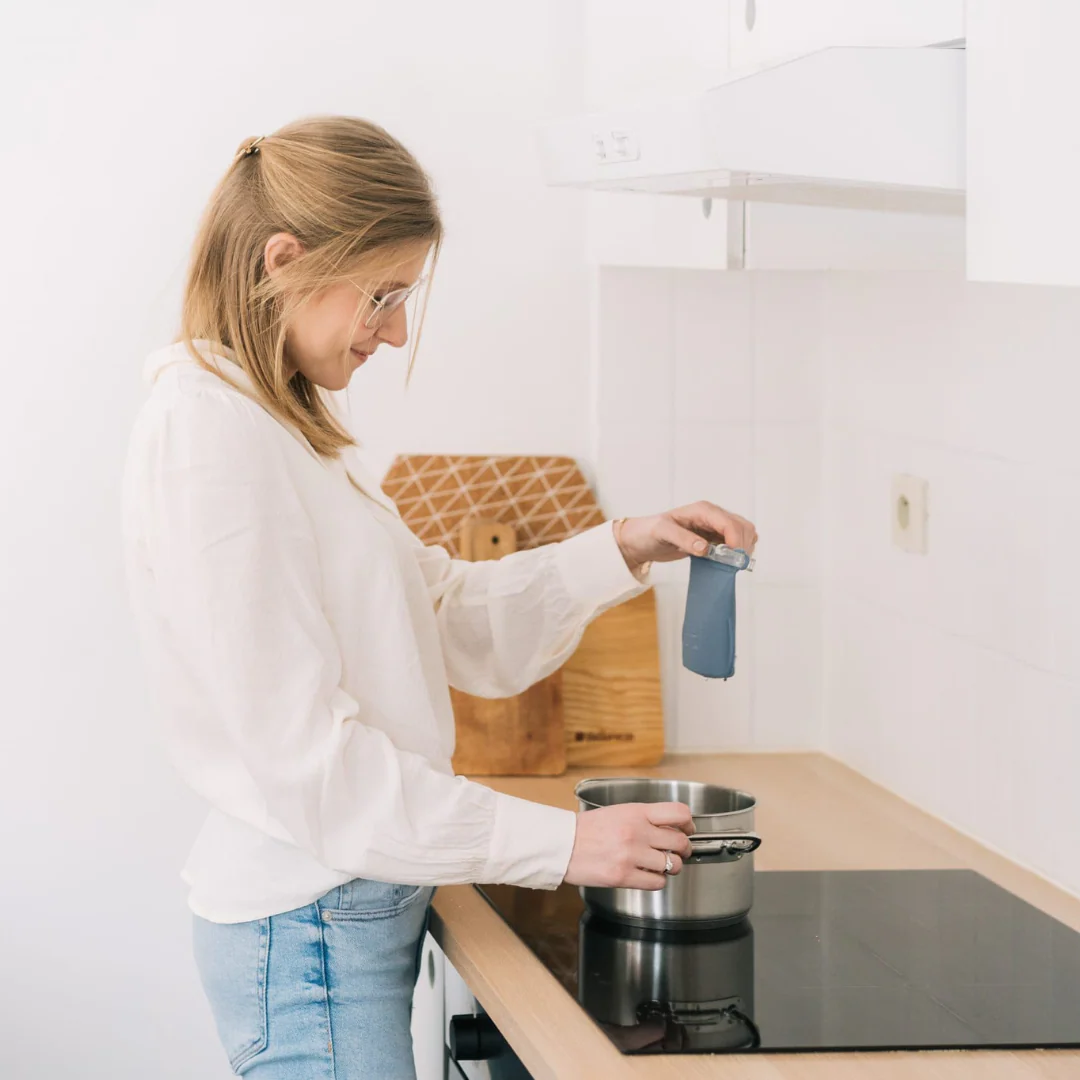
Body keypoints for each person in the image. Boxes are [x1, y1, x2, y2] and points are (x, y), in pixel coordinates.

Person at [121, 115, 758, 1079]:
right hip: (312, 932)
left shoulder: (277, 427)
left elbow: (445, 618)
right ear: (283, 260)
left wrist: (621, 549)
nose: (396, 330)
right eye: (381, 295)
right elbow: (315, 767)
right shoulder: (213, 442)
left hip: (340, 915)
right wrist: (562, 844)